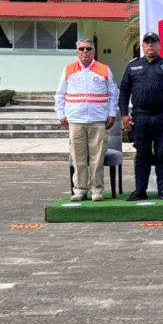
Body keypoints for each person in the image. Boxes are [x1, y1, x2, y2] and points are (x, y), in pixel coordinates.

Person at [119, 32, 163, 201]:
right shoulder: (133, 66)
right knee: (142, 154)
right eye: (146, 43)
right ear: (143, 46)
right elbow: (124, 91)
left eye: (153, 43)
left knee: (162, 153)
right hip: (140, 118)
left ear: (159, 46)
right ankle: (140, 190)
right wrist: (124, 115)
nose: (150, 46)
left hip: (162, 117)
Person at [54, 39, 119, 202]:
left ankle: (96, 190)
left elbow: (113, 94)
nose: (85, 52)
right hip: (75, 120)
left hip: (98, 120)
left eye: (88, 49)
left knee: (98, 158)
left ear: (94, 51)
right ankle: (80, 190)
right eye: (81, 49)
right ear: (77, 52)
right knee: (78, 157)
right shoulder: (69, 69)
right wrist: (61, 114)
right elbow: (60, 94)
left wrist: (111, 114)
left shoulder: (104, 69)